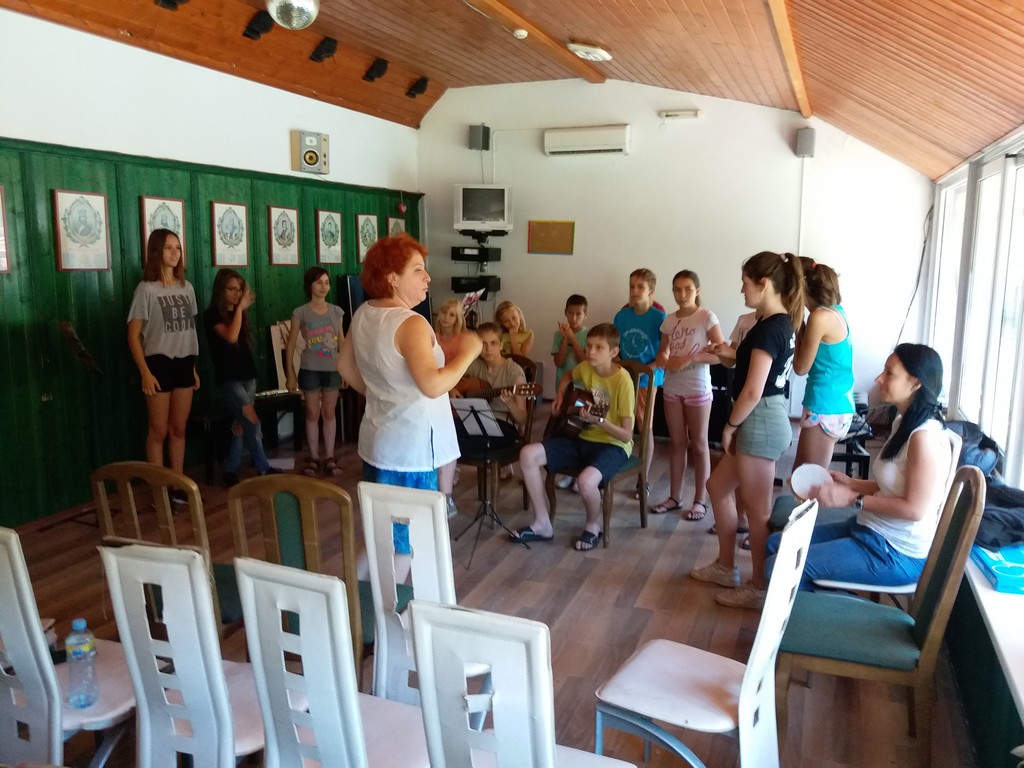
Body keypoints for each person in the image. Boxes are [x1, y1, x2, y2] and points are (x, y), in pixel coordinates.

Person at [766, 344, 952, 591]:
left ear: (916, 383)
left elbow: (914, 509)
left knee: (777, 566)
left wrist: (852, 498)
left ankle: (825, 610)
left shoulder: (924, 438)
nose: (879, 379)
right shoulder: (904, 423)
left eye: (889, 373)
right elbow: (895, 486)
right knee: (774, 544)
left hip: (894, 552)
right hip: (870, 530)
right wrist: (849, 482)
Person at [690, 251, 804, 610]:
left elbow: (754, 390)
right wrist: (729, 354)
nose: (742, 290)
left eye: (745, 283)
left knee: (757, 512)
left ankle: (759, 586)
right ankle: (726, 567)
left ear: (764, 284)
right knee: (717, 487)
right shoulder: (773, 322)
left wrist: (730, 425)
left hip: (760, 421)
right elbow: (754, 366)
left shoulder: (772, 327)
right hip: (762, 417)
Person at [337, 233, 481, 497]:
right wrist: (469, 353)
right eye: (417, 270)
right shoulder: (411, 323)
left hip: (377, 443)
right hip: (412, 452)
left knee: (384, 521)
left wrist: (385, 395)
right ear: (392, 277)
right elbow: (433, 385)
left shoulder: (363, 313)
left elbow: (344, 366)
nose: (428, 277)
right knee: (413, 524)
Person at [515, 323, 636, 551]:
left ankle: (592, 525)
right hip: (581, 436)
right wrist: (560, 395)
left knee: (586, 482)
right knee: (527, 454)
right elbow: (569, 374)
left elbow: (626, 435)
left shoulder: (623, 381)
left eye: (598, 347)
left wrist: (599, 421)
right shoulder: (586, 367)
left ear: (613, 352)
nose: (590, 351)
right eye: (588, 346)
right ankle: (542, 523)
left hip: (613, 445)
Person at [127, 229, 199, 504]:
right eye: (169, 247)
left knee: (179, 428)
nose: (174, 253)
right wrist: (145, 372)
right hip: (158, 362)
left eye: (178, 248)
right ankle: (159, 490)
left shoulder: (186, 287)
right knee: (158, 430)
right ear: (156, 251)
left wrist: (193, 368)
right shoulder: (146, 289)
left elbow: (187, 330)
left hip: (184, 361)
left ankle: (177, 486)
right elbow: (133, 335)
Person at [652, 270, 724, 520]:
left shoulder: (706, 317)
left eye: (687, 289)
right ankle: (675, 497)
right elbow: (663, 351)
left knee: (700, 445)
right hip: (672, 388)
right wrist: (664, 359)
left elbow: (721, 355)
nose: (681, 294)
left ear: (697, 291)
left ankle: (700, 501)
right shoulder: (669, 320)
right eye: (677, 289)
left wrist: (690, 359)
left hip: (697, 389)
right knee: (677, 443)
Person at [203, 269, 279, 487]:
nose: (237, 294)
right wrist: (240, 309)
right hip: (229, 378)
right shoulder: (211, 314)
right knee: (252, 420)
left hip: (248, 375)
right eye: (231, 289)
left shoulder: (239, 313)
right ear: (220, 290)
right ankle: (263, 467)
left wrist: (240, 310)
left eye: (239, 290)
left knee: (241, 423)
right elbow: (231, 336)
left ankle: (230, 470)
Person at [792, 257, 855, 470]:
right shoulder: (835, 311)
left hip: (825, 404)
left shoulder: (819, 317)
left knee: (808, 478)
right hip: (835, 402)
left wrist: (795, 320)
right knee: (800, 474)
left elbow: (801, 368)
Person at [285, 267, 345, 477]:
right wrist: (290, 373)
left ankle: (329, 456)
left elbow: (342, 342)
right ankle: (313, 456)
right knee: (312, 413)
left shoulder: (336, 311)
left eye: (327, 282)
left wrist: (345, 370)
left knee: (329, 412)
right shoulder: (300, 312)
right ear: (309, 285)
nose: (323, 287)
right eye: (319, 282)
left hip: (332, 369)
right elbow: (291, 344)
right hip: (310, 368)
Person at [613, 268, 666, 498]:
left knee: (645, 429)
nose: (634, 291)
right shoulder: (621, 316)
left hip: (647, 381)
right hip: (623, 380)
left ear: (651, 291)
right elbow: (615, 348)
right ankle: (611, 468)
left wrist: (642, 372)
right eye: (632, 286)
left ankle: (642, 478)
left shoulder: (660, 319)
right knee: (618, 424)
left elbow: (663, 356)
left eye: (640, 287)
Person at [456, 322, 528, 431]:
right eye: (483, 343)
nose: (488, 349)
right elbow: (449, 377)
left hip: (504, 424)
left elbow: (523, 419)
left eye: (493, 343)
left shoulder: (513, 371)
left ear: (501, 345)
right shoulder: (476, 365)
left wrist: (510, 403)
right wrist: (453, 390)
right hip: (474, 420)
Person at [434, 298, 468, 514]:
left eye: (452, 314)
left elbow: (463, 372)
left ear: (458, 319)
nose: (446, 317)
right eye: (444, 312)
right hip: (435, 390)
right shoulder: (431, 337)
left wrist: (451, 388)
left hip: (454, 393)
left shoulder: (461, 341)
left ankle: (446, 494)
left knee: (447, 436)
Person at [551, 294, 589, 490]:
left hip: (582, 391)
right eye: (570, 314)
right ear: (565, 313)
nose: (574, 318)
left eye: (578, 314)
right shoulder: (559, 335)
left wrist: (573, 338)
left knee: (579, 430)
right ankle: (566, 472)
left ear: (585, 315)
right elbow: (559, 362)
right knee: (562, 430)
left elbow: (584, 361)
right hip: (563, 388)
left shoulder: (588, 336)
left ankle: (579, 474)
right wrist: (565, 338)